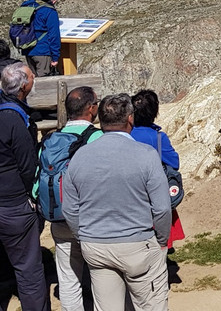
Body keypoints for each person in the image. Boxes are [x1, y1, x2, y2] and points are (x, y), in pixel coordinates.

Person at [61, 93, 170, 311]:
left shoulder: (80, 156)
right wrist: (161, 239)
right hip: (138, 244)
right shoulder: (146, 155)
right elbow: (162, 208)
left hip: (96, 245)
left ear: (100, 119)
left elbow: (70, 209)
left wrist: (83, 236)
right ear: (130, 118)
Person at [45, 87, 103, 311]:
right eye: (96, 103)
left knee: (68, 279)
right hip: (90, 219)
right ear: (90, 109)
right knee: (100, 277)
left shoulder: (51, 140)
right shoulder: (97, 138)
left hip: (59, 218)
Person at [0, 62, 49, 311]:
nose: (34, 79)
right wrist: (33, 199)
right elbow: (28, 166)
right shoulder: (15, 121)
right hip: (14, 206)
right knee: (28, 270)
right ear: (23, 87)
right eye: (31, 77)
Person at [131, 89, 185, 250]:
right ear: (155, 111)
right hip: (153, 195)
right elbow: (174, 162)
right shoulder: (158, 137)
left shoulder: (125, 134)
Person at [19, 0, 61, 77]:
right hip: (42, 50)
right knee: (43, 82)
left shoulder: (28, 6)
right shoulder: (50, 11)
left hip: (27, 48)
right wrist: (55, 57)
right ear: (54, 1)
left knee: (32, 80)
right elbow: (54, 35)